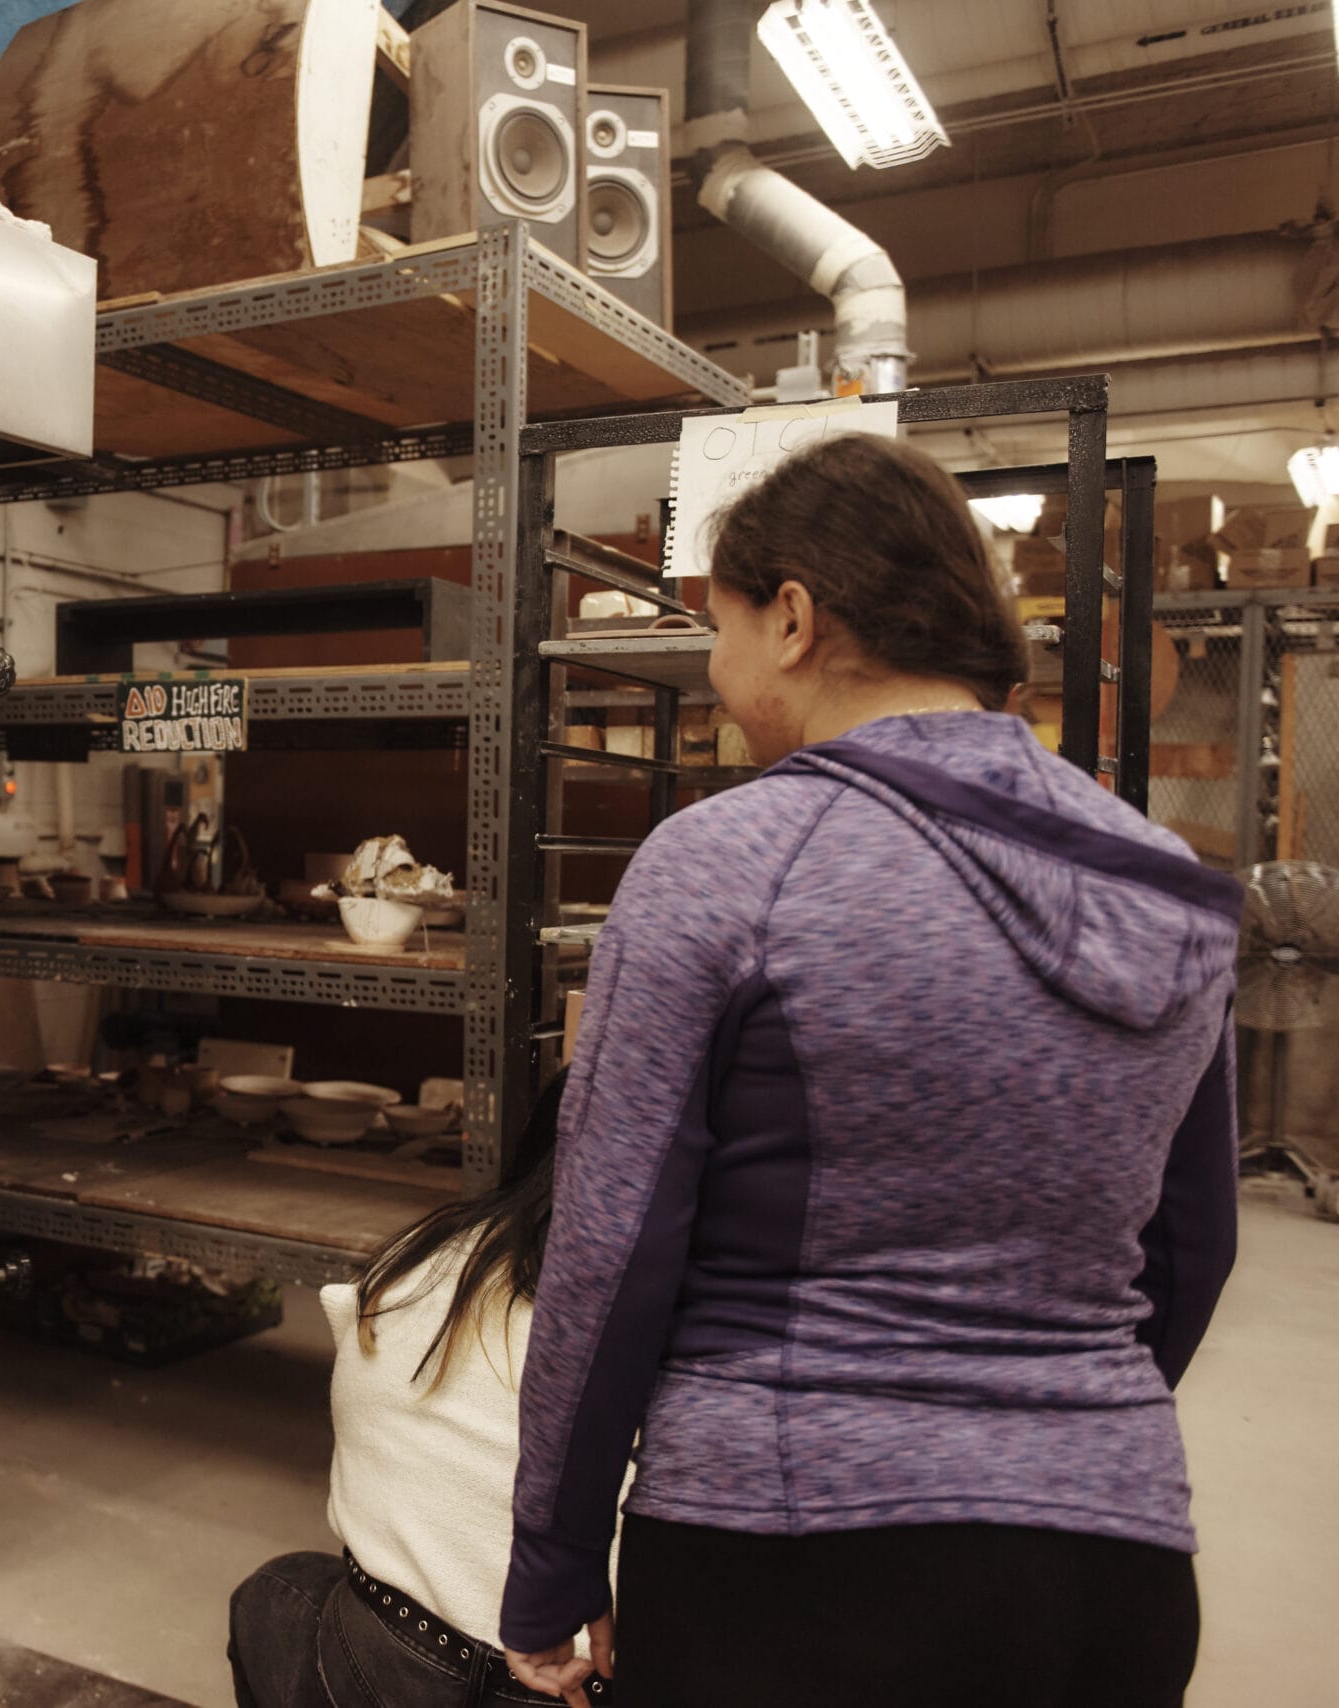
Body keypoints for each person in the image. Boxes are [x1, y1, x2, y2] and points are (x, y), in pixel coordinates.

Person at [500, 435, 1241, 1708]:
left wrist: (553, 1561)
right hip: (1109, 1571)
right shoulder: (1164, 883)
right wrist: (1046, 1452)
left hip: (786, 1567)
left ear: (791, 617)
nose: (717, 671)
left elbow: (611, 1253)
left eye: (716, 627)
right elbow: (1193, 1245)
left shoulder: (727, 863)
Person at [229, 1070, 602, 1708]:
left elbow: (359, 1375)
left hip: (393, 1651)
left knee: (277, 1592)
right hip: (585, 1678)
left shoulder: (427, 1254)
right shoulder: (703, 1305)